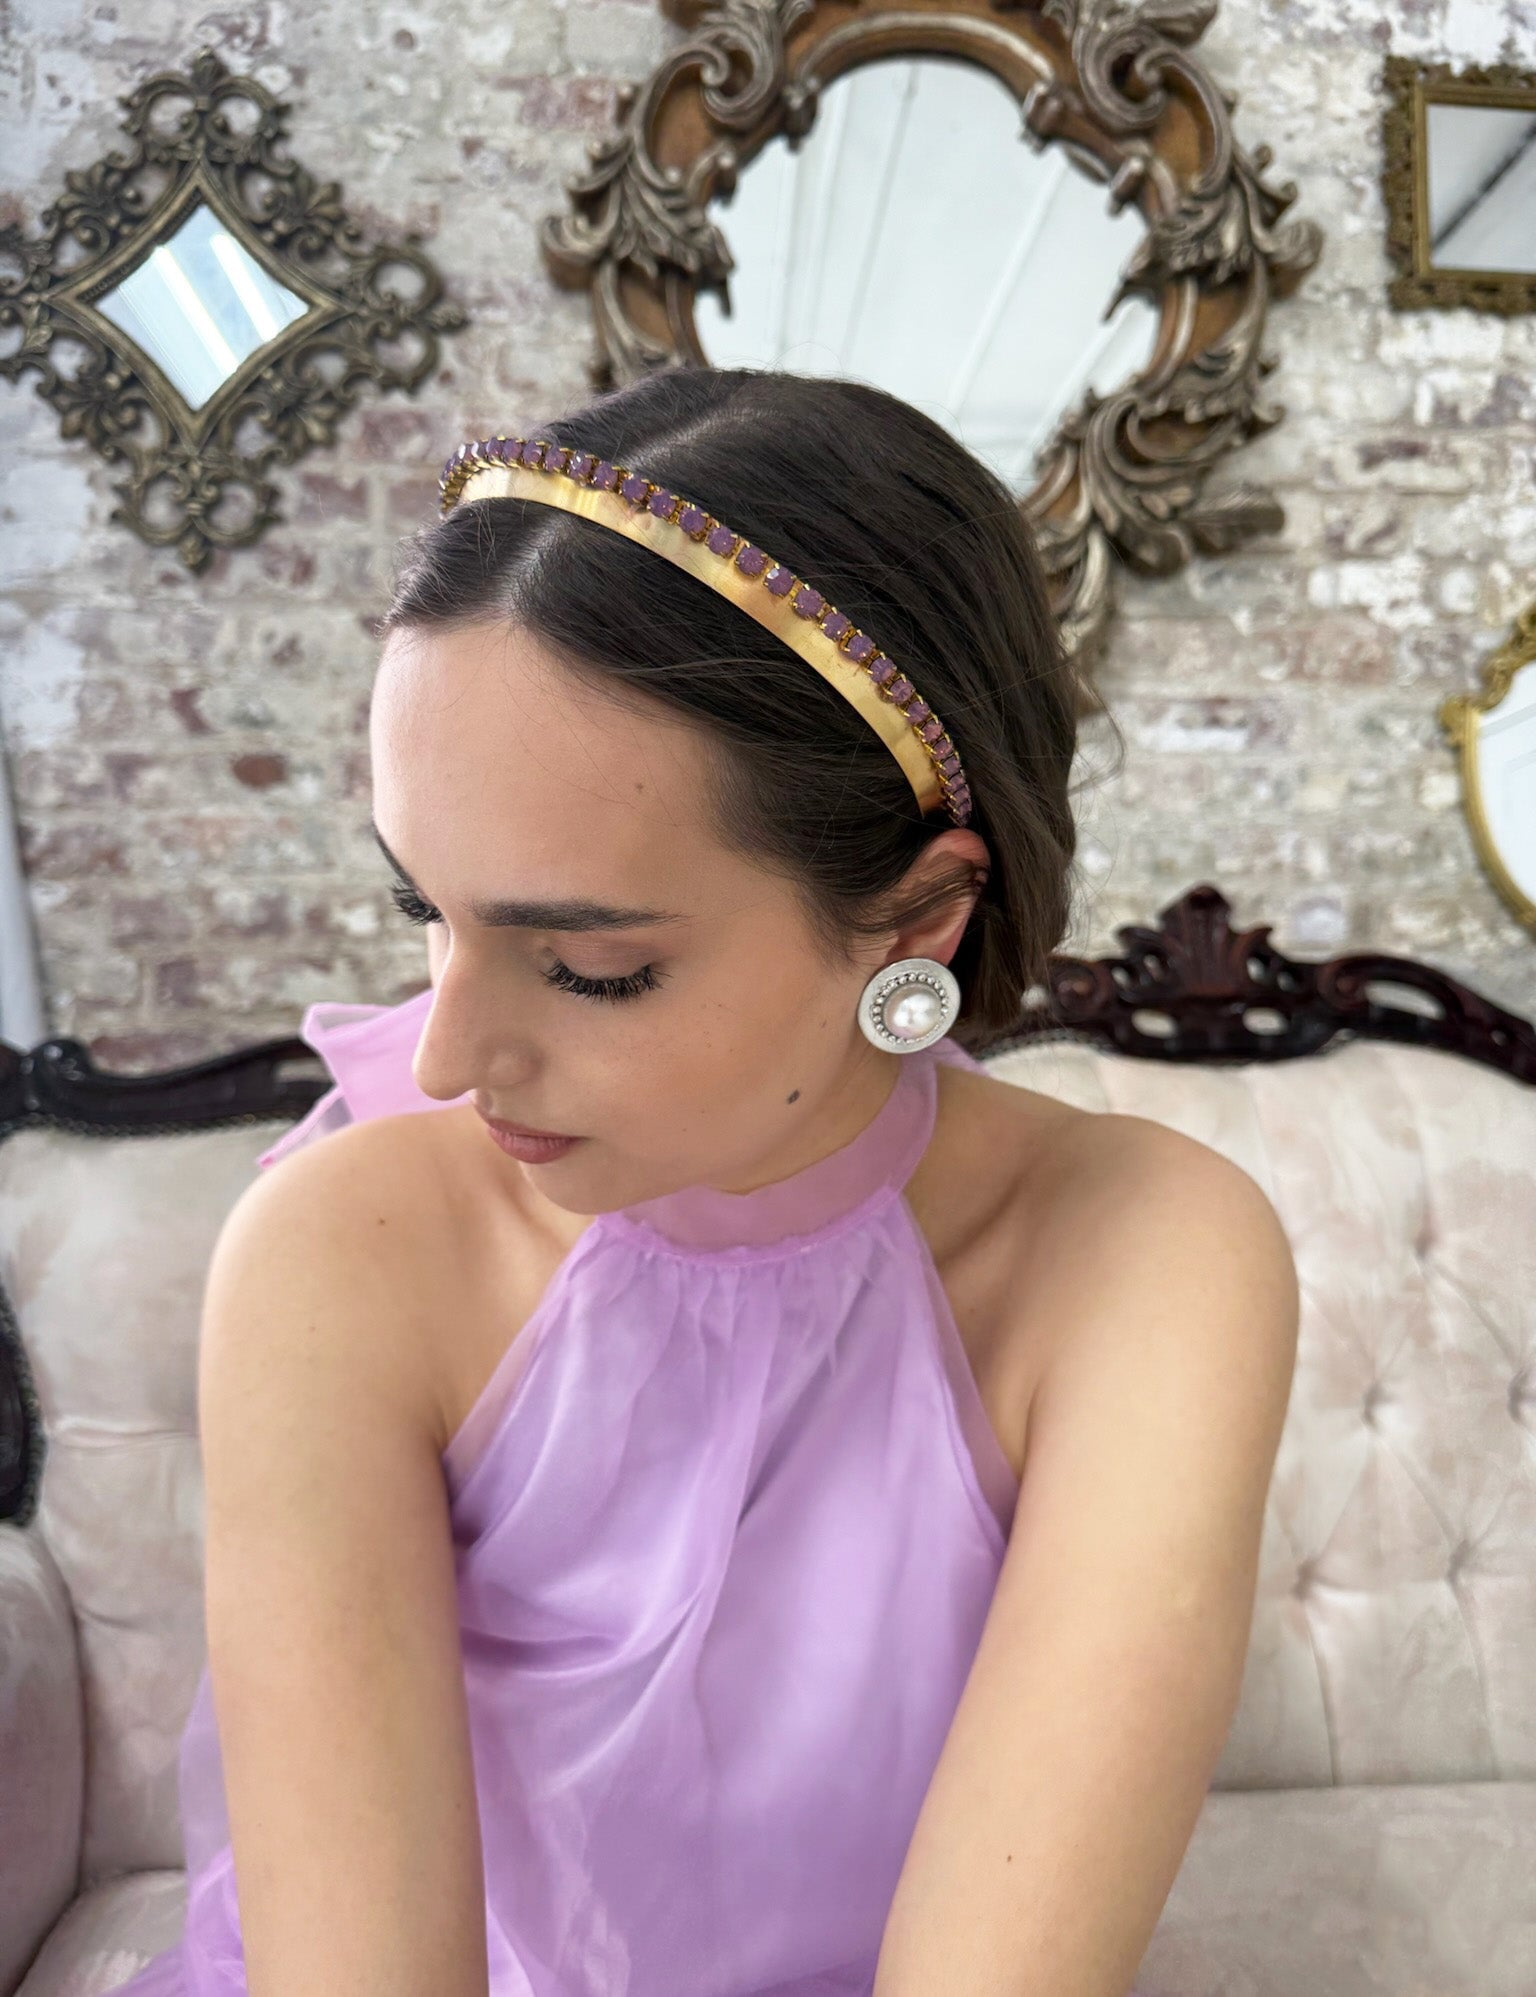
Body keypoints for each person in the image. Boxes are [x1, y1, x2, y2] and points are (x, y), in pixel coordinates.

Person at [107, 365, 1298, 1997]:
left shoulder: (1145, 1260)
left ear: (916, 917)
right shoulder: (344, 1253)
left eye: (589, 967)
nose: (444, 1057)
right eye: (423, 911)